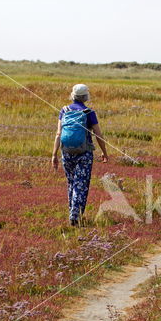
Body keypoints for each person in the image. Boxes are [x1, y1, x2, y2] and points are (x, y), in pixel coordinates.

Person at [51, 84, 109, 226]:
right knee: (81, 184)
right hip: (85, 153)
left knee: (71, 183)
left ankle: (73, 212)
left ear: (73, 96)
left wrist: (54, 154)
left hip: (66, 152)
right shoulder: (89, 112)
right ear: (86, 97)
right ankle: (75, 215)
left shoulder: (64, 110)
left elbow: (58, 134)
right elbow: (98, 135)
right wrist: (105, 152)